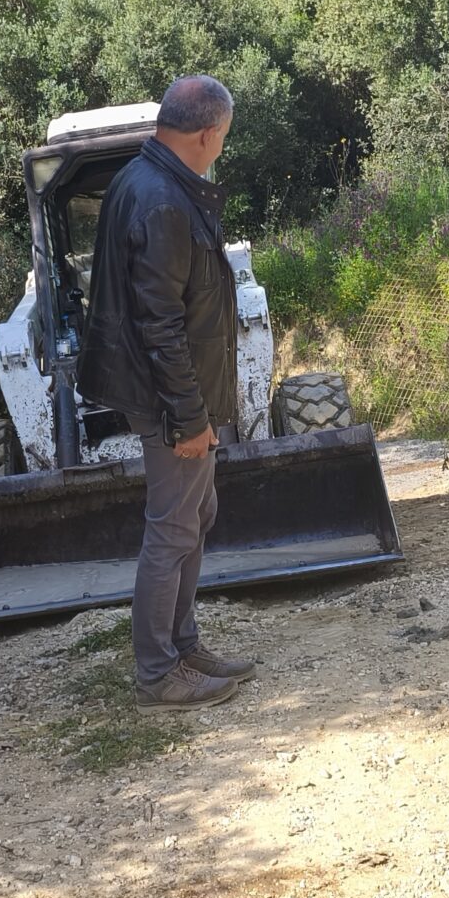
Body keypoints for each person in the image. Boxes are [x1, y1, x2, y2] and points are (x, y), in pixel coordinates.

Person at [76, 77, 261, 710]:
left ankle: (183, 646)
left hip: (171, 392)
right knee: (174, 527)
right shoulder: (162, 201)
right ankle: (158, 673)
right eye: (224, 137)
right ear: (208, 133)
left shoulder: (146, 180)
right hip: (169, 398)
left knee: (195, 515)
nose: (222, 147)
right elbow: (161, 325)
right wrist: (188, 417)